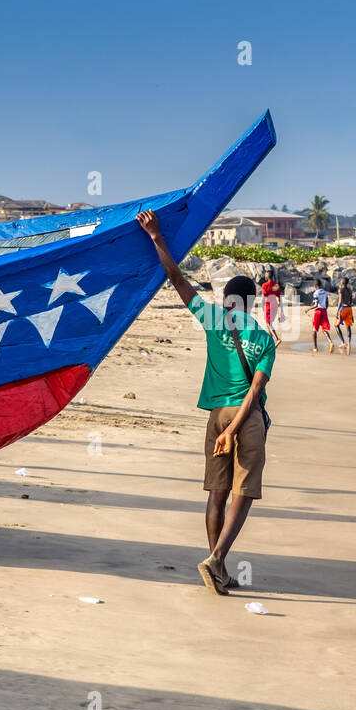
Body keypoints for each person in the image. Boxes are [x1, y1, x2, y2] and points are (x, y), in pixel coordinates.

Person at [137, 209, 275, 597]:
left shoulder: (214, 320)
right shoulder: (264, 339)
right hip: (245, 421)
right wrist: (235, 430)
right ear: (250, 303)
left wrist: (156, 236)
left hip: (216, 416)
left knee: (216, 491)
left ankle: (219, 567)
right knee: (243, 494)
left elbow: (176, 278)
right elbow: (255, 391)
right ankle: (216, 561)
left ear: (227, 300)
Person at [308, 283, 336, 353]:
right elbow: (327, 303)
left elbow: (316, 305)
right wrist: (324, 309)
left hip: (318, 311)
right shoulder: (325, 292)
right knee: (324, 329)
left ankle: (315, 348)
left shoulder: (316, 293)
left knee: (314, 329)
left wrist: (308, 309)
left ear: (315, 286)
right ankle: (331, 343)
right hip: (324, 311)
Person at [259, 269, 283, 344]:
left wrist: (262, 307)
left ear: (267, 276)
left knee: (268, 324)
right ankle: (270, 341)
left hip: (268, 306)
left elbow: (263, 298)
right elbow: (279, 298)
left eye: (265, 275)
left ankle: (276, 338)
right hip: (275, 305)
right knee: (270, 323)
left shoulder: (265, 285)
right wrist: (280, 312)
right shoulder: (276, 286)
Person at [334, 278, 355, 354]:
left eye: (340, 281)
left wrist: (337, 311)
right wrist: (352, 315)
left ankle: (343, 342)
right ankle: (349, 344)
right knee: (348, 326)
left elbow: (340, 301)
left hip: (343, 308)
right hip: (349, 308)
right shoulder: (350, 290)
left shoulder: (341, 290)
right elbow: (351, 301)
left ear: (342, 282)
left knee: (336, 325)